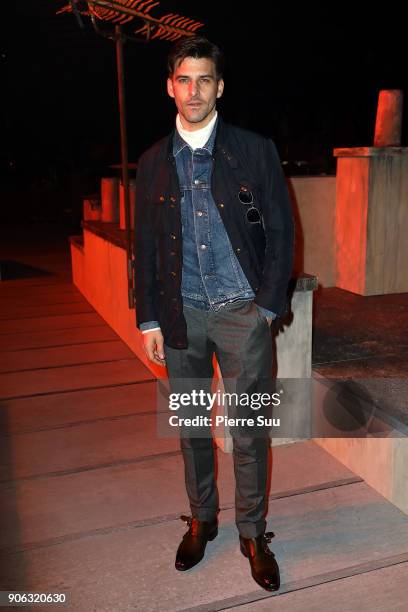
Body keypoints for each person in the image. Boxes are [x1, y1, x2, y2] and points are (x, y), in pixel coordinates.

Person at [134, 36, 294, 592]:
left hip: (241, 315)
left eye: (204, 79)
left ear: (219, 87)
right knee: (192, 430)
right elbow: (147, 248)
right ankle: (202, 521)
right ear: (170, 86)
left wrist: (266, 308)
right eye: (184, 79)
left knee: (249, 433)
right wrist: (149, 319)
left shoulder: (253, 149)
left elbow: (280, 231)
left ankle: (253, 531)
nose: (194, 90)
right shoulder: (153, 161)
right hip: (180, 321)